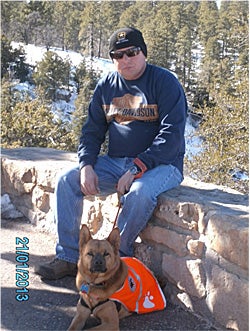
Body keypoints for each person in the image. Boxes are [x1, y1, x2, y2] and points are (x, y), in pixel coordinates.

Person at [35, 27, 187, 280]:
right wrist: (86, 165)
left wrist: (138, 167)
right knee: (67, 181)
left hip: (162, 165)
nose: (125, 59)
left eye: (132, 52)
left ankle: (119, 259)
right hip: (116, 163)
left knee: (139, 194)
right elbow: (92, 131)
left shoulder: (164, 82)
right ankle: (69, 257)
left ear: (143, 53)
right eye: (118, 55)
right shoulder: (107, 85)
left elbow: (172, 136)